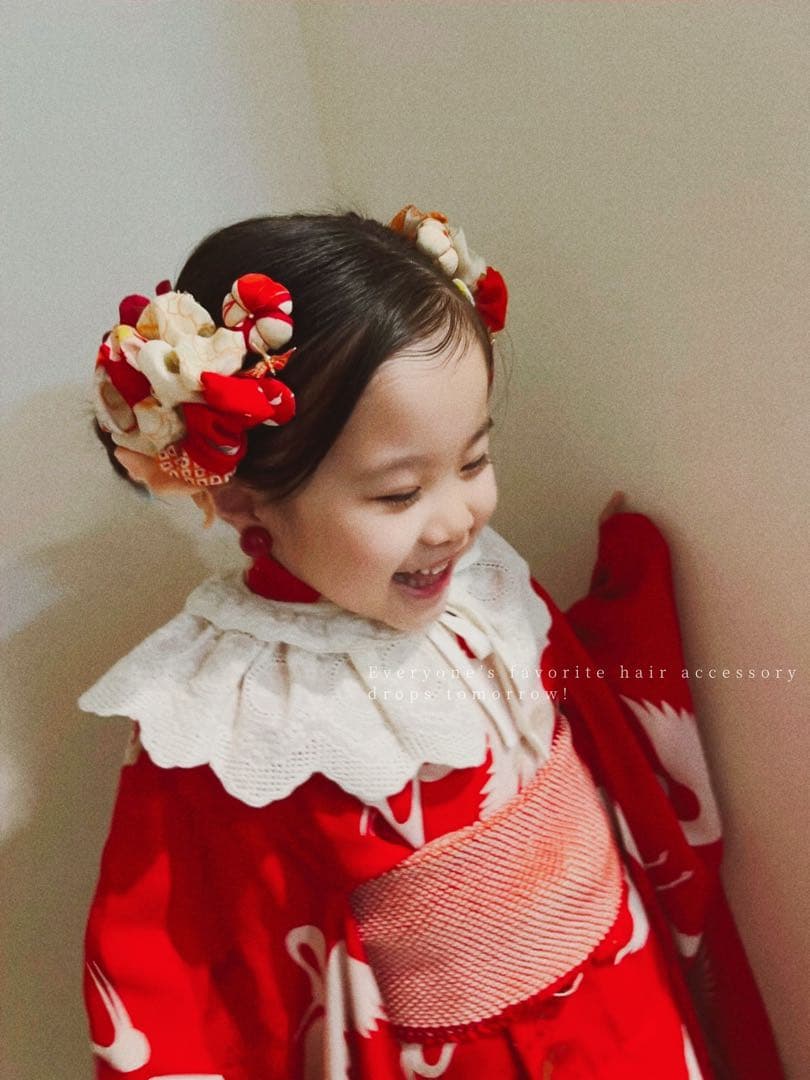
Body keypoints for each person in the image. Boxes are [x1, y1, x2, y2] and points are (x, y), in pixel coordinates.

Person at [79, 206, 781, 1079]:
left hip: (623, 1001)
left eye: (474, 462)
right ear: (245, 499)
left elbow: (599, 723)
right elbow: (179, 984)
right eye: (398, 494)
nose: (456, 521)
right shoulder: (222, 716)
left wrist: (630, 596)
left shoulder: (486, 591)